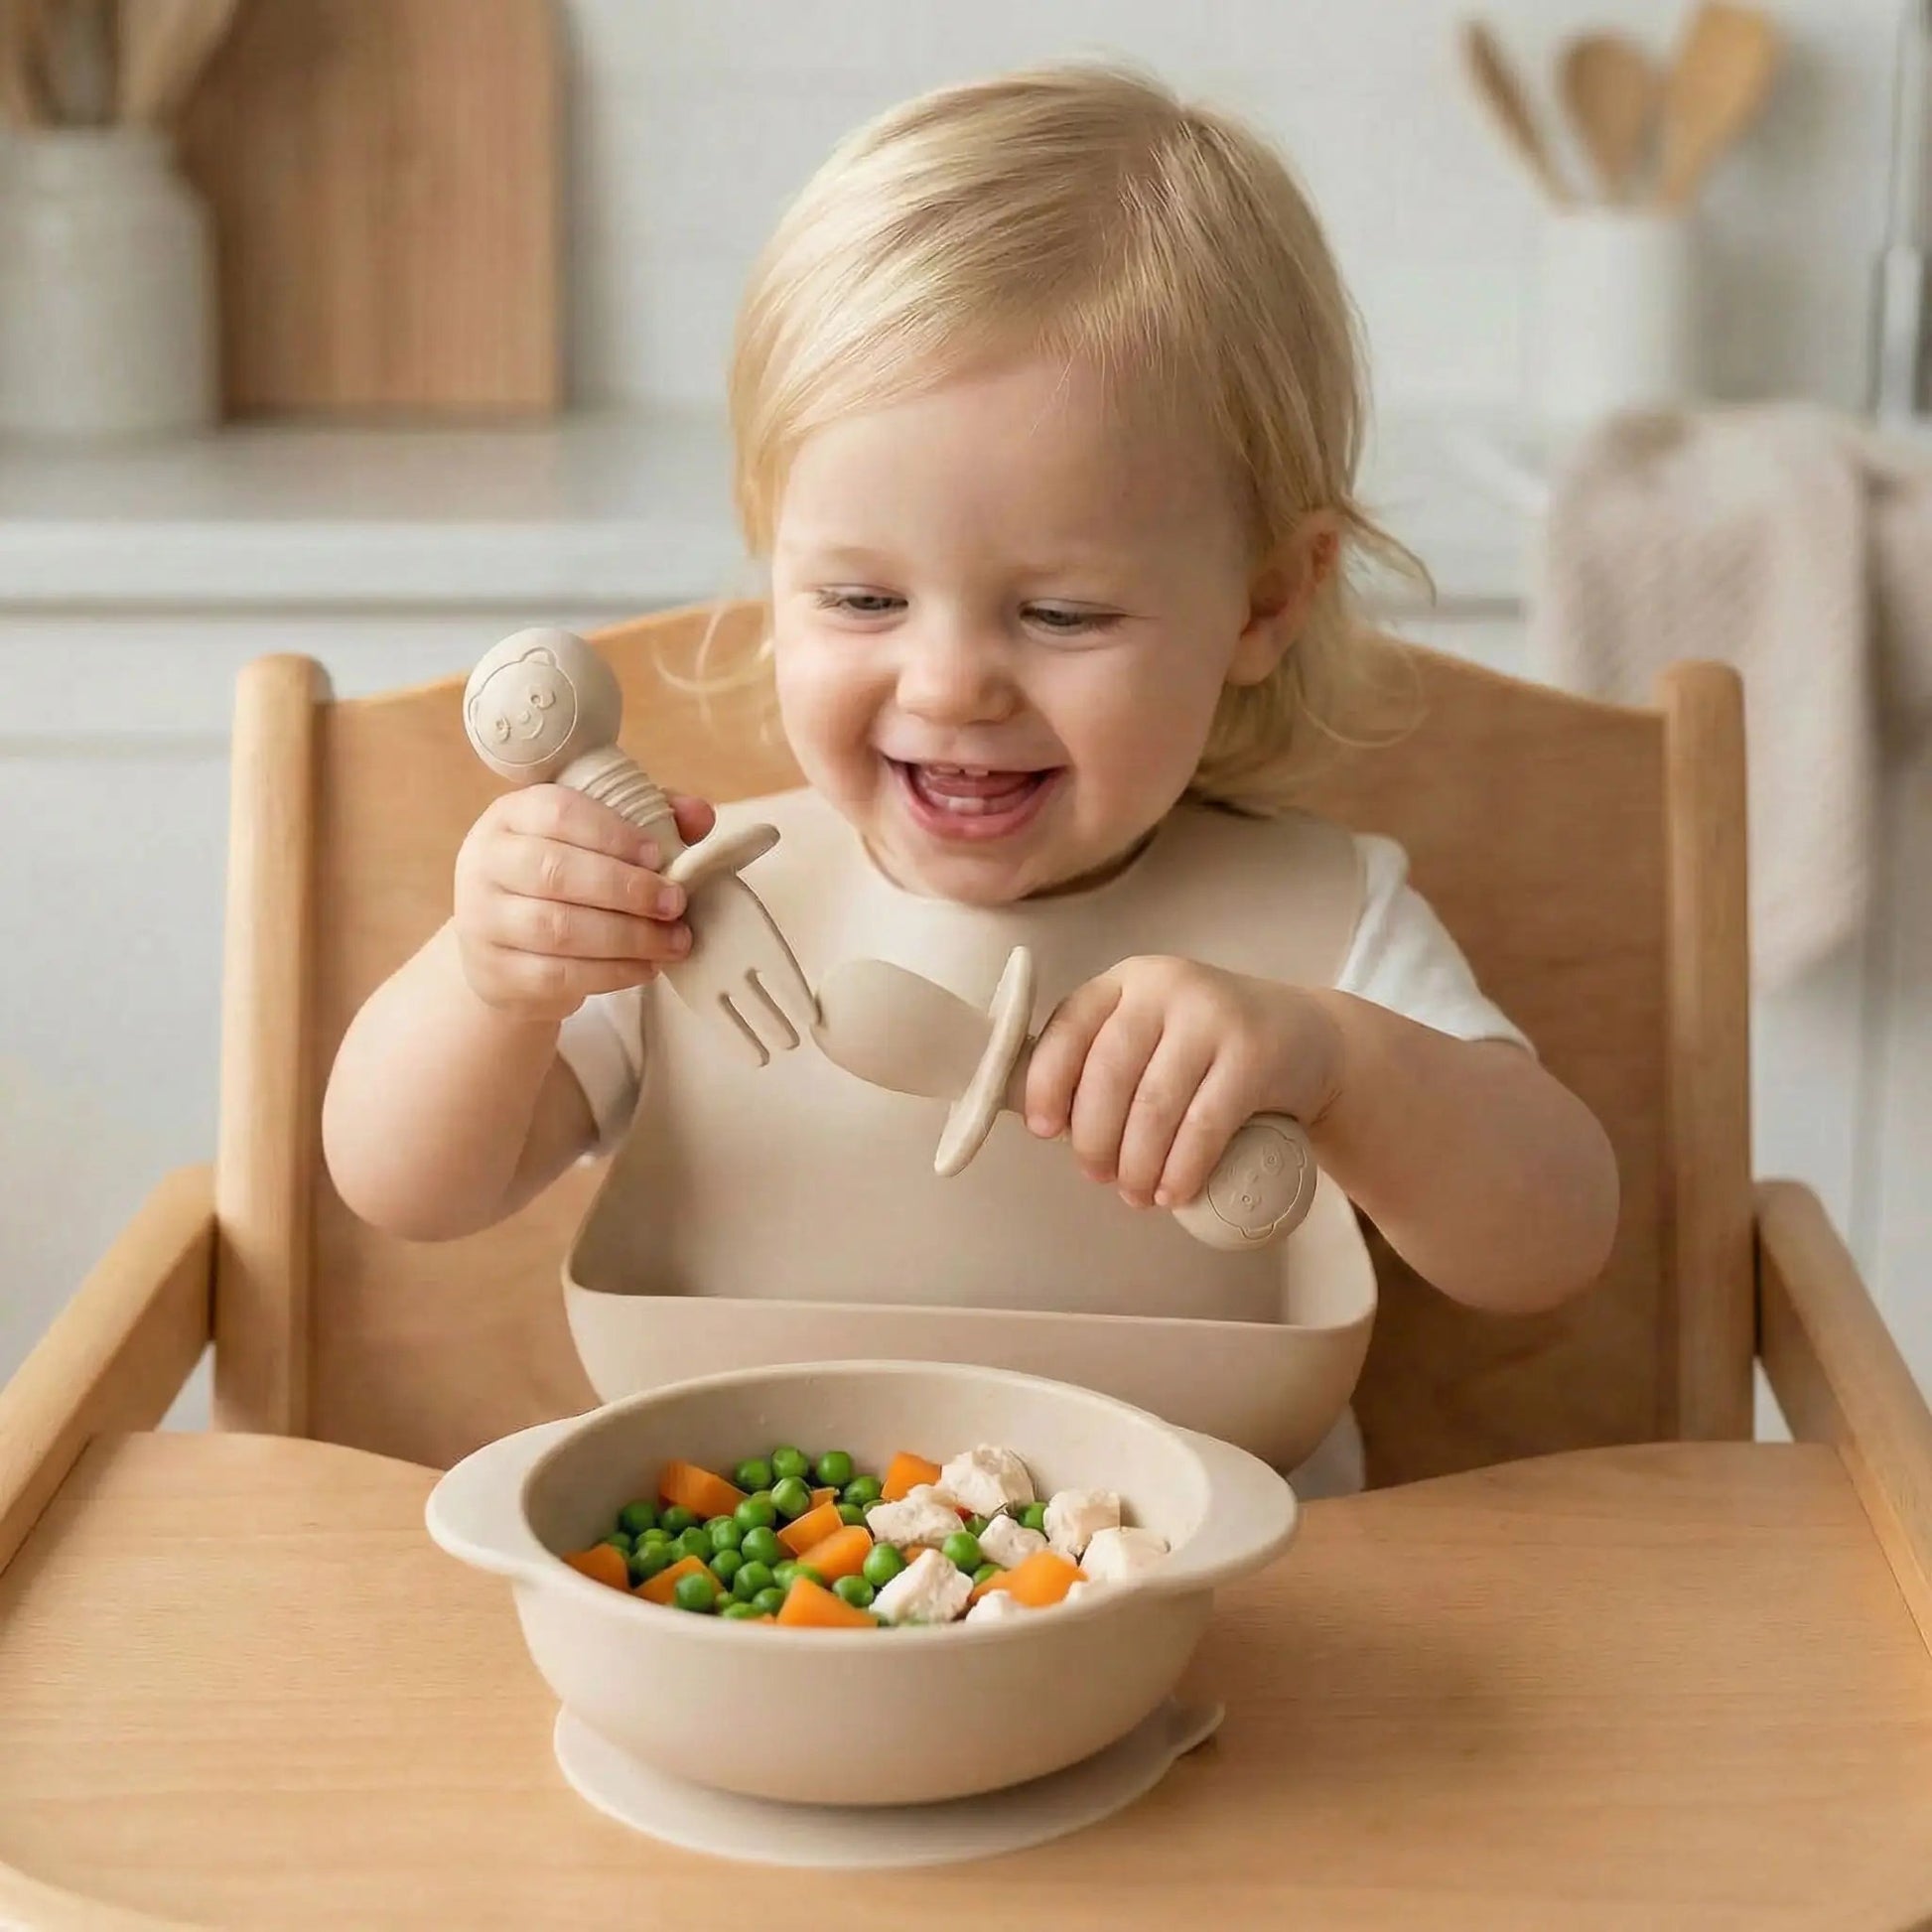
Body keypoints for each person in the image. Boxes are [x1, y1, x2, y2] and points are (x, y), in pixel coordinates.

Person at [322, 65, 1618, 1495]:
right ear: (772, 562)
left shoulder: (1318, 924)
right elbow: (407, 1185)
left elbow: (1550, 1243)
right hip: (764, 1632)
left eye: (1060, 616)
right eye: (862, 600)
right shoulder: (684, 908)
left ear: (1262, 600)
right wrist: (492, 977)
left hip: (1239, 1638)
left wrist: (1342, 1062)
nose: (947, 686)